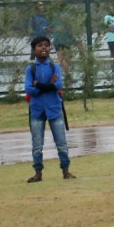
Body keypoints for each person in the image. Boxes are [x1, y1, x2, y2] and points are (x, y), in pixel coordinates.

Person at [24, 35, 75, 182]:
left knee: (61, 143)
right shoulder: (30, 69)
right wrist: (48, 85)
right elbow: (28, 89)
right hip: (37, 110)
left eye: (46, 45)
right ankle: (38, 173)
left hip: (54, 109)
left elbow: (58, 86)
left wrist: (38, 85)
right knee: (37, 144)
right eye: (40, 45)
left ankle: (66, 171)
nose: (43, 48)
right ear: (34, 50)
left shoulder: (55, 66)